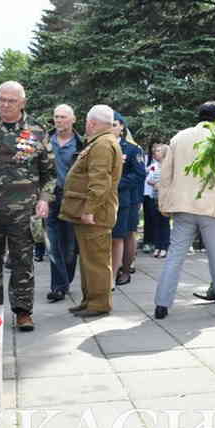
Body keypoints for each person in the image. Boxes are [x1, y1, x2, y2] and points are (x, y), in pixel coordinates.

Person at [0, 81, 55, 331]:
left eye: (11, 100)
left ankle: (23, 312)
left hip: (23, 212)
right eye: (1, 99)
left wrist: (44, 199)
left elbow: (49, 174)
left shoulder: (37, 131)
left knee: (22, 262)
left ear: (22, 103)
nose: (5, 104)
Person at [153, 101, 215, 319]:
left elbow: (166, 174)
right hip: (213, 208)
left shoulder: (179, 137)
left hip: (183, 207)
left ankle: (161, 305)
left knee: (174, 256)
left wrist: (164, 204)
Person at [60, 105, 123, 317]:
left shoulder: (103, 145)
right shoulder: (101, 142)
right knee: (89, 260)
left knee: (96, 261)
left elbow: (99, 182)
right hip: (94, 212)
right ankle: (89, 300)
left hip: (95, 214)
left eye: (87, 122)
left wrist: (89, 210)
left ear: (92, 123)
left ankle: (99, 304)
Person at [46, 104, 84, 303]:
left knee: (69, 246)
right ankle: (58, 286)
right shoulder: (45, 141)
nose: (59, 120)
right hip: (49, 198)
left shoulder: (81, 144)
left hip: (72, 199)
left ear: (73, 119)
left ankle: (65, 280)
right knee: (52, 244)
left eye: (63, 117)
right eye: (56, 117)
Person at [112, 113, 146, 286]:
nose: (111, 127)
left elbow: (140, 173)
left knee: (126, 234)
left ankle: (125, 270)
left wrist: (116, 184)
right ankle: (113, 269)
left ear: (122, 126)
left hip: (128, 198)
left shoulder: (132, 148)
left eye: (114, 124)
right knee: (113, 236)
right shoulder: (100, 145)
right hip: (108, 199)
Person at [145, 144, 171, 257]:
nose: (156, 152)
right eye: (155, 151)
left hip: (165, 198)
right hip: (154, 198)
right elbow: (148, 180)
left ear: (165, 152)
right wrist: (155, 183)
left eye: (159, 151)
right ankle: (157, 247)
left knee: (164, 223)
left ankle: (164, 247)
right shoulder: (154, 166)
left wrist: (162, 185)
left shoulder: (169, 166)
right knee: (156, 223)